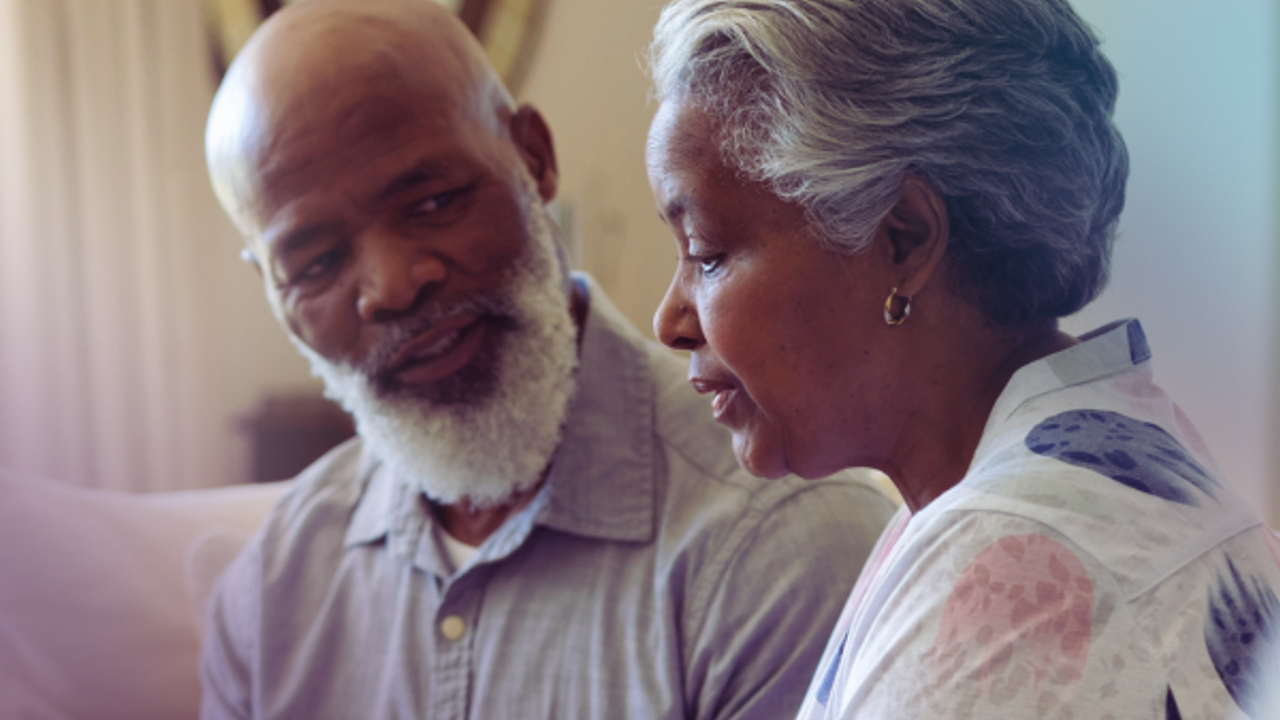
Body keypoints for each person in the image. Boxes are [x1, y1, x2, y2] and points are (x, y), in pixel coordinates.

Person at [199, 1, 895, 718]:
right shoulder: (266, 595)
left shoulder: (784, 544)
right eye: (315, 263)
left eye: (434, 201)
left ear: (533, 158)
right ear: (272, 289)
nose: (392, 285)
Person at [646, 0, 1280, 718]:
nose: (670, 319)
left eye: (706, 253)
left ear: (905, 240)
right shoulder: (1123, 462)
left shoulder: (1010, 572)